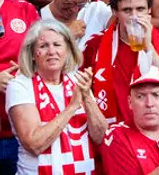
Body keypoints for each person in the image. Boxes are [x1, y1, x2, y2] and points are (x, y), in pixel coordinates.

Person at [6, 19, 107, 175]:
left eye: (57, 45)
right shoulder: (20, 86)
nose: (51, 51)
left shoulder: (79, 81)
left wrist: (87, 97)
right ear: (32, 54)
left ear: (67, 51)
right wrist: (72, 107)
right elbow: (34, 144)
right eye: (43, 46)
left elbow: (100, 137)